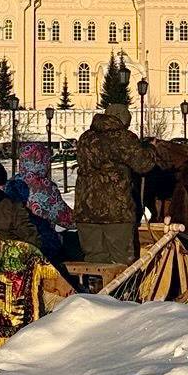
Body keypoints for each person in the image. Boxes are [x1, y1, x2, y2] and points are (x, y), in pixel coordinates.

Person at [74, 102, 159, 263]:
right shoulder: (122, 137)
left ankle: (94, 288)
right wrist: (151, 149)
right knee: (122, 263)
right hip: (116, 213)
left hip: (85, 210)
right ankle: (123, 289)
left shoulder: (86, 137)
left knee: (95, 262)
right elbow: (143, 164)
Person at [5, 142, 75, 261]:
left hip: (12, 244)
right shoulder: (45, 187)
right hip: (41, 245)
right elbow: (66, 219)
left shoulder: (10, 184)